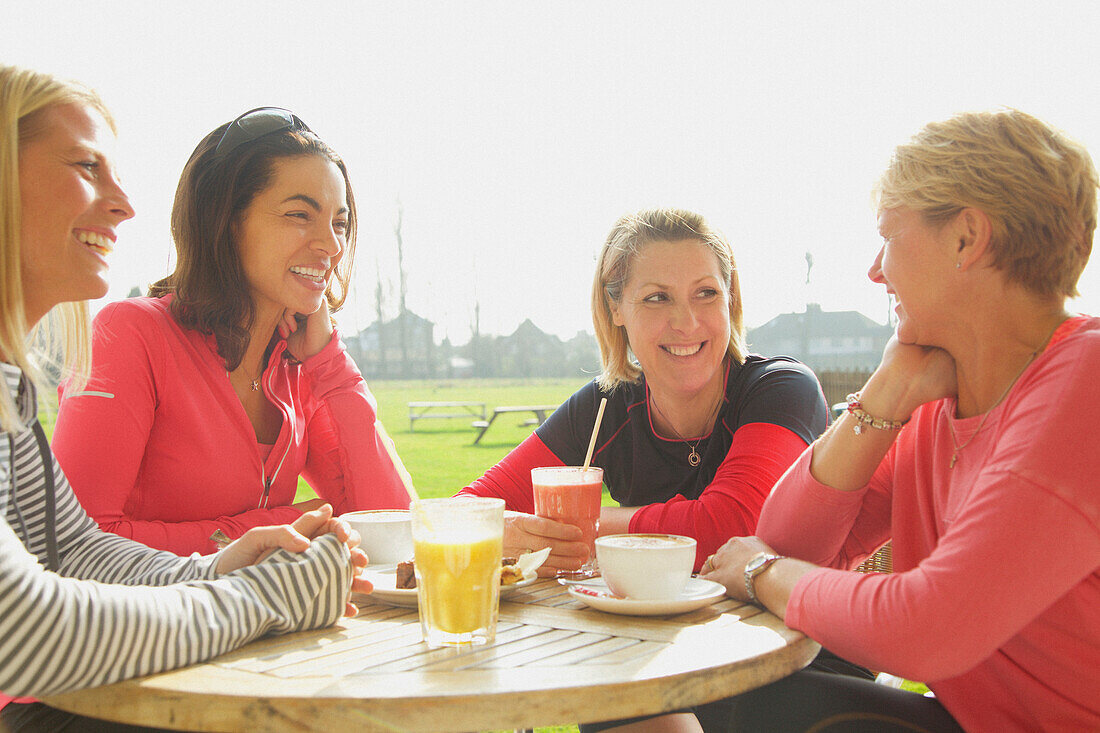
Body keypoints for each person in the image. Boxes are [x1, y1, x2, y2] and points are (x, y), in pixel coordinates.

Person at [700, 109, 1100, 732]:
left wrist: (762, 574)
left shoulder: (1086, 380)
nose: (875, 270)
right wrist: (883, 397)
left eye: (889, 236)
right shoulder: (936, 403)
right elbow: (790, 540)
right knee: (731, 696)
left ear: (967, 238)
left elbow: (931, 627)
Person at [0, 65, 370, 731]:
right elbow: (24, 629)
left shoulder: (9, 388)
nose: (125, 204)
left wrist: (222, 563)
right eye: (86, 166)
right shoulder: (135, 333)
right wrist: (258, 593)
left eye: (339, 220)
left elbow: (72, 548)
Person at [50, 106, 409, 556]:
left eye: (339, 223)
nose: (332, 245)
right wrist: (272, 527)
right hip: (146, 626)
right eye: (300, 215)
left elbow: (393, 527)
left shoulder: (295, 366)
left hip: (269, 626)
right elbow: (73, 546)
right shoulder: (130, 334)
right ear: (225, 222)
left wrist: (330, 362)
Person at [460, 208, 828, 578]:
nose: (686, 322)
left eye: (706, 292)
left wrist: (585, 528)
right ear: (615, 307)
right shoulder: (605, 406)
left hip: (782, 633)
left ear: (729, 300)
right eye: (657, 298)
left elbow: (729, 527)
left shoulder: (783, 389)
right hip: (638, 633)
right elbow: (456, 514)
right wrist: (502, 532)